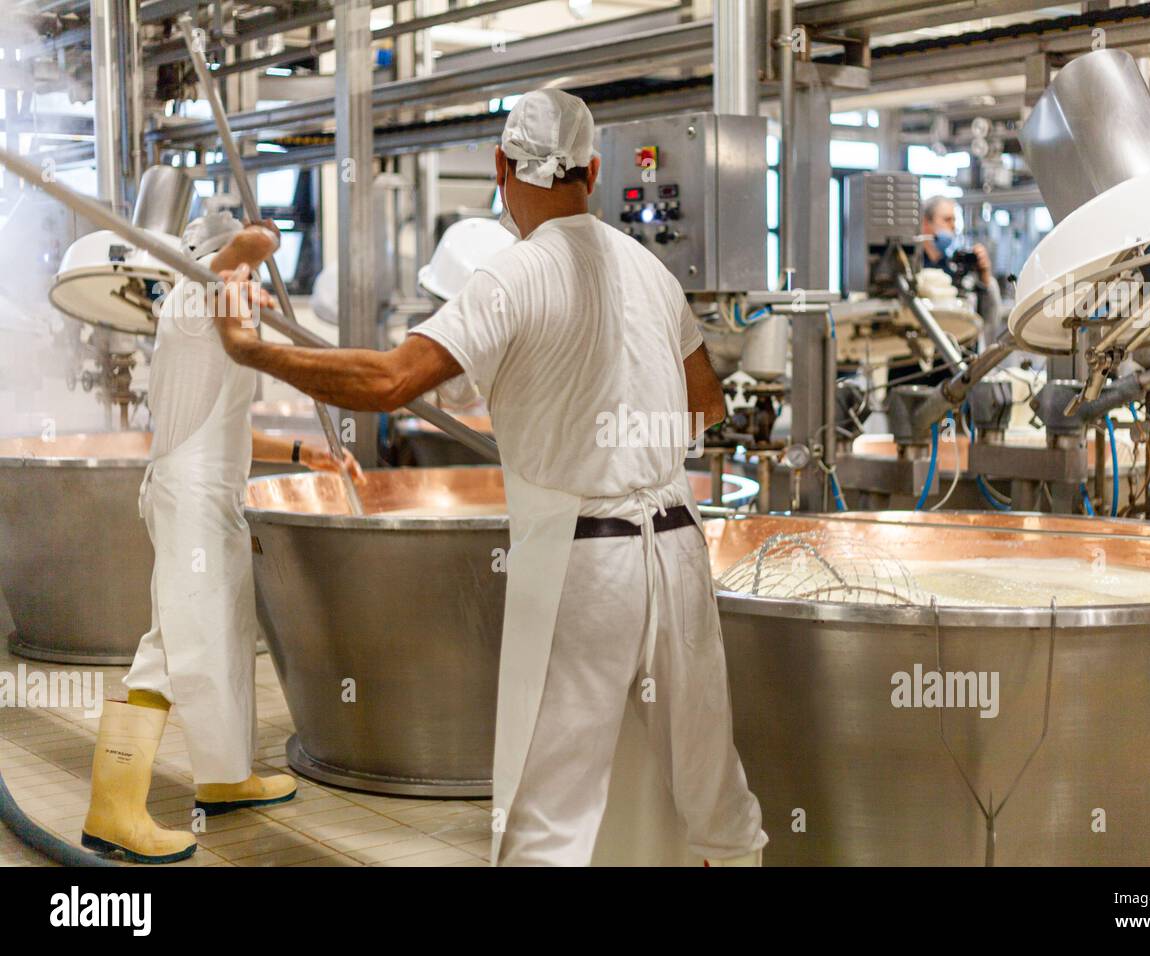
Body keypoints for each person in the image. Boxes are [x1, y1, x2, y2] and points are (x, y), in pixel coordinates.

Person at [210, 89, 767, 867]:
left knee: (550, 809)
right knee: (713, 790)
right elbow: (703, 405)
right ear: (595, 171)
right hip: (676, 551)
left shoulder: (512, 277)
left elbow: (388, 383)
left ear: (502, 167)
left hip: (585, 560)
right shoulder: (652, 271)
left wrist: (254, 349)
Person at [81, 219, 365, 864]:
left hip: (213, 496)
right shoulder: (194, 298)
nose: (252, 278)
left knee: (225, 639)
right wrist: (241, 259)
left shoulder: (216, 309)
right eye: (234, 268)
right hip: (192, 503)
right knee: (174, 645)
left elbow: (226, 425)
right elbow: (260, 240)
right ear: (209, 262)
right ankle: (113, 811)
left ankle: (225, 776)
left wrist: (302, 452)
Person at [920, 194, 1003, 336]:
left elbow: (990, 322)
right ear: (926, 224)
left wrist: (985, 278)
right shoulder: (912, 266)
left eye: (954, 220)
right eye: (947, 220)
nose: (953, 226)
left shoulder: (957, 267)